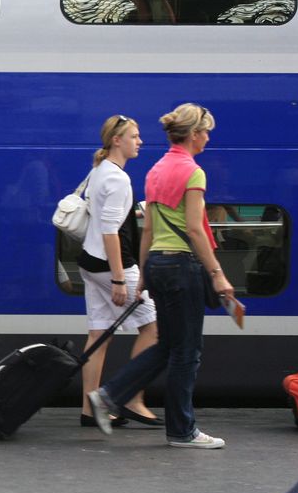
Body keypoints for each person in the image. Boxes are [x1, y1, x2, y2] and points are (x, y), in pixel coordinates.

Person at [89, 103, 232, 449]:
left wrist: (143, 274)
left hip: (157, 264)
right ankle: (182, 431)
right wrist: (217, 273)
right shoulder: (193, 173)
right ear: (194, 135)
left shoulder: (155, 170)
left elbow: (148, 229)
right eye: (206, 132)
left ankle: (108, 395)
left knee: (168, 344)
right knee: (188, 352)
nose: (208, 138)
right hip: (184, 267)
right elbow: (196, 229)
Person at [77, 115, 160, 428]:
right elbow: (111, 231)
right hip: (113, 265)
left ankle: (89, 408)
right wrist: (118, 278)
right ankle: (130, 397)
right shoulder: (118, 179)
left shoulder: (99, 170)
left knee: (99, 333)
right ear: (117, 140)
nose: (139, 142)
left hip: (89, 260)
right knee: (153, 327)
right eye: (134, 136)